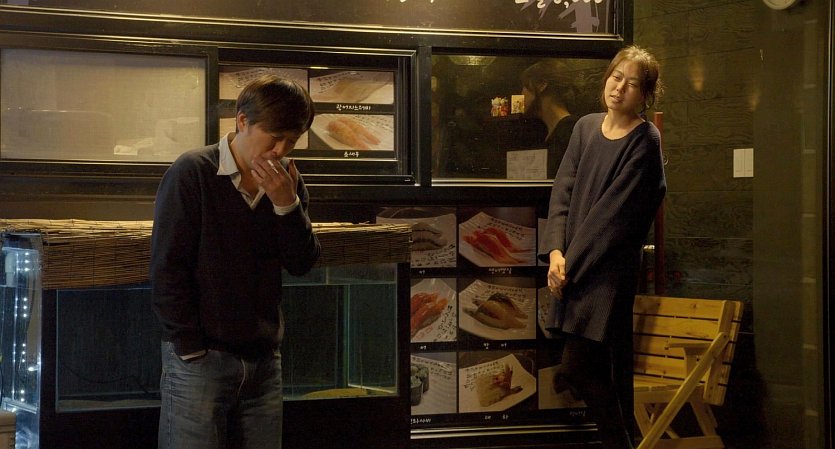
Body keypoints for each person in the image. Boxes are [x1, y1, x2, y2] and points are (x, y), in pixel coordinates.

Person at [150, 75, 321, 449]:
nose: (280, 150)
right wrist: (189, 345)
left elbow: (301, 263)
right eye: (274, 137)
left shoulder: (288, 181)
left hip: (263, 359)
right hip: (200, 358)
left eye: (292, 141)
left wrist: (287, 205)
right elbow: (167, 267)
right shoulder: (193, 171)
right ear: (242, 121)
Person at [538, 46, 666, 449]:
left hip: (606, 276)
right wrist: (555, 254)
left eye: (632, 83)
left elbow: (612, 218)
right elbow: (562, 194)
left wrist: (568, 266)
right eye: (616, 76)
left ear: (645, 94)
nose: (619, 87)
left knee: (579, 370)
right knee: (601, 372)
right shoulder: (584, 127)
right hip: (572, 269)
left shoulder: (646, 140)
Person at [520, 60, 581, 178]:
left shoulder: (569, 132)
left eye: (525, 86)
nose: (522, 93)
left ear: (541, 85)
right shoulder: (553, 130)